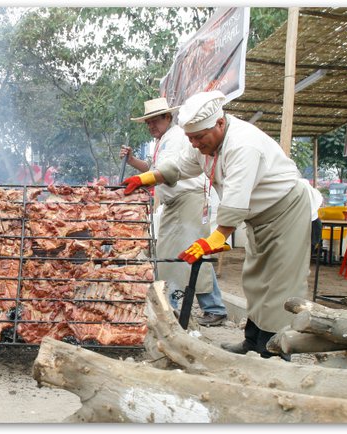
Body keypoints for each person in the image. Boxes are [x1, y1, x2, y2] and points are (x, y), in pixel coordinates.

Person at [123, 90, 315, 360]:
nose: (195, 144)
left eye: (199, 137)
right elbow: (180, 166)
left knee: (280, 283)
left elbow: (236, 198)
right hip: (259, 217)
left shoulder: (243, 145)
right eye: (191, 138)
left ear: (220, 123)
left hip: (286, 211)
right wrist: (148, 178)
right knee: (256, 280)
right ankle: (252, 341)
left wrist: (216, 237)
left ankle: (274, 353)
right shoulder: (204, 144)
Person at [122, 97, 227, 326]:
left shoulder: (177, 136)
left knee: (186, 255)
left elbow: (167, 172)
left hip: (187, 199)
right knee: (179, 256)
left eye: (155, 121)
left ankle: (197, 308)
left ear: (168, 117)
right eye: (148, 122)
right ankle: (185, 306)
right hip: (174, 203)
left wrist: (144, 181)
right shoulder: (163, 140)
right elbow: (154, 170)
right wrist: (133, 162)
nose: (151, 126)